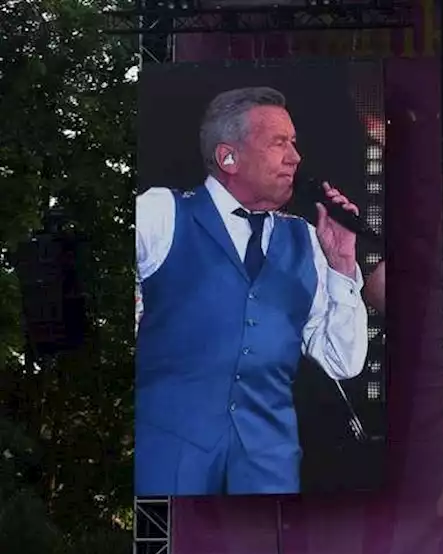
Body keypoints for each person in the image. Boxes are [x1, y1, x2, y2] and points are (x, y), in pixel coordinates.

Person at [135, 86, 369, 496]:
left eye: (294, 144)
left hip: (269, 462)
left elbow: (342, 362)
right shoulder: (162, 213)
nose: (295, 158)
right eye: (279, 143)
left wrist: (343, 266)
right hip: (169, 449)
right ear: (228, 157)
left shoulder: (309, 242)